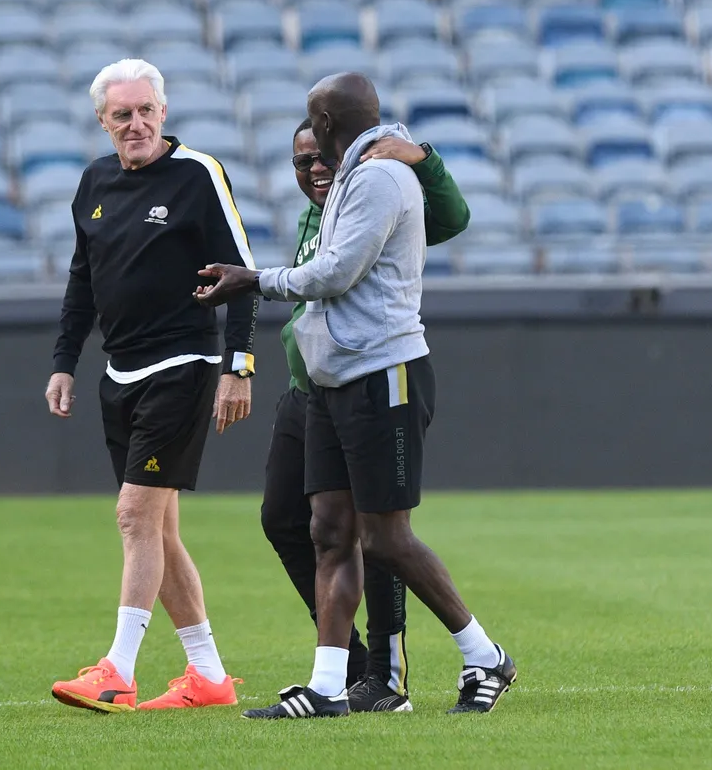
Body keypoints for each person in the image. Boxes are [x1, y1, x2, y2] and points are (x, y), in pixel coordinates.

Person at [195, 72, 517, 719]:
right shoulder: (348, 178)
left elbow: (338, 272)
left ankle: (485, 656)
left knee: (387, 538)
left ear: (326, 122)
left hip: (382, 372)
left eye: (314, 123)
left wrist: (254, 279)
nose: (312, 152)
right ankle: (328, 687)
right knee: (328, 531)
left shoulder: (379, 177)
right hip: (331, 380)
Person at [45, 58, 259, 714]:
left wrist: (238, 366)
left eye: (145, 111)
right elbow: (82, 278)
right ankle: (209, 676)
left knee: (133, 515)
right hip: (120, 373)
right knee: (159, 533)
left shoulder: (198, 173)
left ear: (163, 113)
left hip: (183, 365)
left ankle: (118, 670)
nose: (135, 123)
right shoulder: (94, 181)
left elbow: (241, 273)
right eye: (122, 115)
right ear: (103, 122)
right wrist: (63, 361)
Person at [260, 117, 470, 713]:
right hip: (308, 390)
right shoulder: (314, 218)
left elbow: (452, 218)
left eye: (322, 157)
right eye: (301, 162)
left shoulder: (375, 197)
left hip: (364, 379)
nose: (314, 169)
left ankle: (385, 675)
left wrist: (423, 158)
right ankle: (342, 669)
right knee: (288, 520)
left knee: (379, 534)